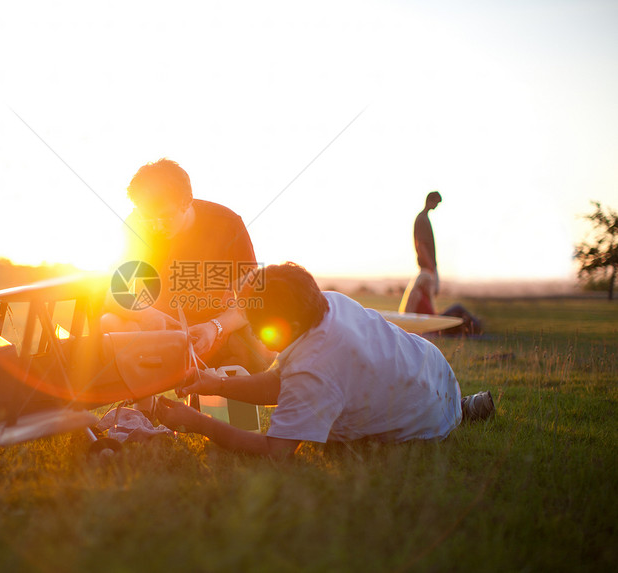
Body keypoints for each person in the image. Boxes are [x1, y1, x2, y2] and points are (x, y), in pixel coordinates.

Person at [156, 262, 493, 457]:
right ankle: (464, 407)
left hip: (425, 419)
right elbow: (278, 383)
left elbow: (277, 450)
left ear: (294, 324)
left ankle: (459, 412)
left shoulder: (313, 371)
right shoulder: (326, 302)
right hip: (431, 368)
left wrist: (199, 423)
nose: (256, 335)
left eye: (261, 329)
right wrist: (215, 384)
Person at [102, 158, 273, 373]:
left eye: (165, 217)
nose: (156, 226)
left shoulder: (226, 223)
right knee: (111, 322)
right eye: (148, 218)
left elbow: (249, 299)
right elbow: (113, 294)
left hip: (217, 324)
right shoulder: (135, 227)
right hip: (161, 327)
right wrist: (147, 314)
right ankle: (145, 405)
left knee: (261, 340)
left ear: (187, 201)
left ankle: (227, 393)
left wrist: (215, 328)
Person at [402, 191, 483, 335]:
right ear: (430, 201)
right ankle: (477, 326)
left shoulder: (424, 218)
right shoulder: (422, 219)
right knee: (457, 311)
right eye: (436, 203)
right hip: (427, 266)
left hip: (428, 268)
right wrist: (431, 267)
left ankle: (476, 326)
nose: (437, 206)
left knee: (456, 314)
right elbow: (420, 245)